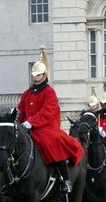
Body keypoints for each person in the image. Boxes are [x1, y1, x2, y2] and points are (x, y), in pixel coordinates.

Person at [17, 46, 83, 194]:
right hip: (28, 128)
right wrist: (16, 118)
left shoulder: (49, 92)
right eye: (33, 75)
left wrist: (32, 122)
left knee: (52, 143)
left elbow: (47, 112)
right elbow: (21, 110)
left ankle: (65, 179)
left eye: (38, 75)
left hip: (46, 128)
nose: (35, 77)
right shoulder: (27, 93)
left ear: (44, 75)